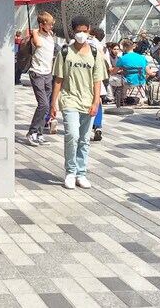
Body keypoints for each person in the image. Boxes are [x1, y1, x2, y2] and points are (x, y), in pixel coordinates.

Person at [50, 16, 108, 190]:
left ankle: (81, 174)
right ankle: (70, 171)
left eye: (85, 31)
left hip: (88, 101)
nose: (82, 34)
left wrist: (96, 102)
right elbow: (58, 79)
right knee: (72, 135)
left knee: (84, 139)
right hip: (69, 100)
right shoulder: (65, 52)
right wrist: (53, 103)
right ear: (73, 31)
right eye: (79, 31)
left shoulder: (95, 52)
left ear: (89, 30)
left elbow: (97, 80)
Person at [26, 12, 56, 146]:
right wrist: (34, 31)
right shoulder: (36, 36)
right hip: (37, 73)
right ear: (41, 24)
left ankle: (39, 133)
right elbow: (37, 44)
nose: (51, 27)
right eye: (48, 24)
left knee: (46, 104)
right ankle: (32, 132)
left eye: (51, 24)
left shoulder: (50, 35)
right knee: (43, 104)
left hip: (48, 72)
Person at [88, 26, 108, 142]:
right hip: (97, 77)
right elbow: (105, 60)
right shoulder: (99, 46)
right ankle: (97, 126)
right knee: (98, 100)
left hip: (81, 76)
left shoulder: (75, 43)